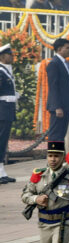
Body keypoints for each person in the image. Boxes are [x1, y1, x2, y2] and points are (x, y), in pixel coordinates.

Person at [46, 38, 69, 143]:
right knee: (56, 134)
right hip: (59, 107)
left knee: (62, 134)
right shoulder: (54, 63)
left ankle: (59, 158)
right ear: (59, 49)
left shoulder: (65, 63)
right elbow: (53, 86)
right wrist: (57, 107)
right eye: (67, 48)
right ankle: (53, 157)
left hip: (66, 105)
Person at [0, 44, 17, 183]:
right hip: (2, 111)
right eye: (9, 54)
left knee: (3, 141)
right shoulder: (0, 71)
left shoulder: (7, 71)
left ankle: (1, 172)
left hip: (7, 110)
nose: (12, 56)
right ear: (2, 56)